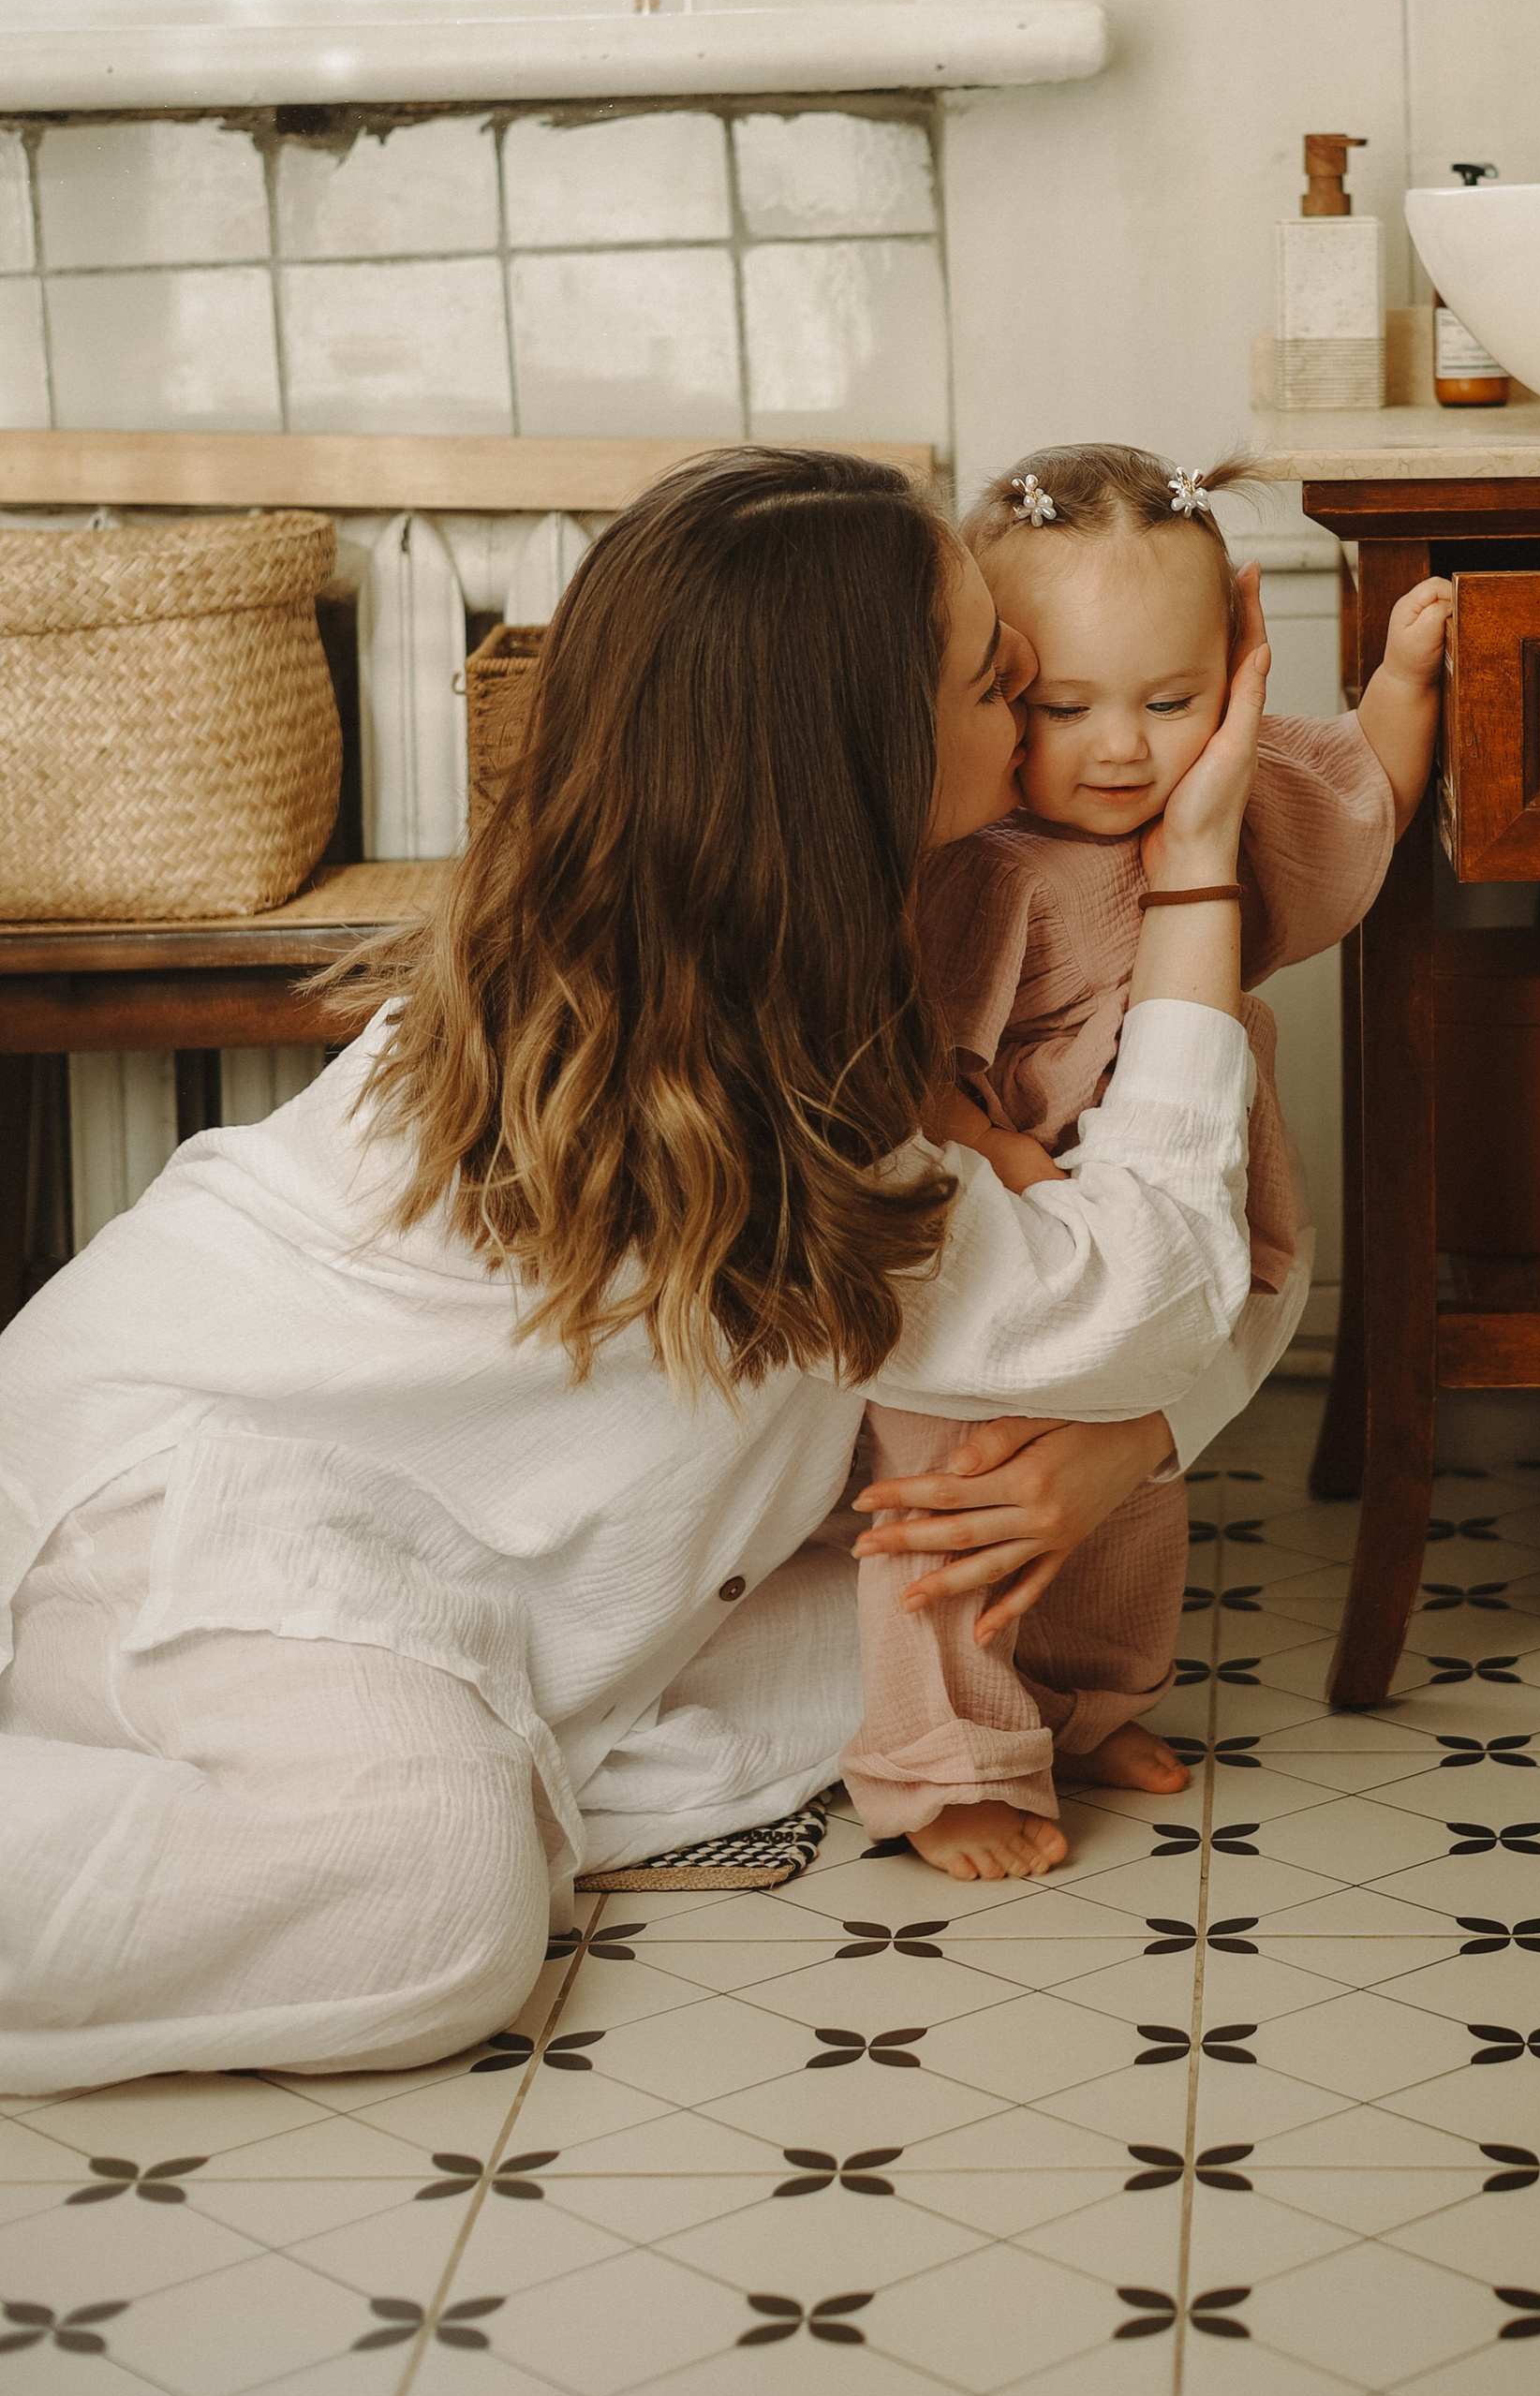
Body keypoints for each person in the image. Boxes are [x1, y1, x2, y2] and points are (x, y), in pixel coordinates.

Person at [0, 448, 1272, 2095]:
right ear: (867, 758)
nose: (1031, 695)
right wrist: (1203, 859)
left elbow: (1198, 1289)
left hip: (399, 1511)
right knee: (431, 1892)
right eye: (993, 675)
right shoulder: (727, 1099)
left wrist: (1138, 1442)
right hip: (164, 1518)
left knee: (914, 1632)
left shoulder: (748, 974)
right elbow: (1157, 1290)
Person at [843, 443, 1451, 1880]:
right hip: (993, 1245)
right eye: (1062, 707)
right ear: (994, 686)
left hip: (1181, 1195)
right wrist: (998, 1149)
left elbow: (1354, 800)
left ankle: (1086, 1705)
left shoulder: (1222, 795)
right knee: (956, 1508)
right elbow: (909, 1067)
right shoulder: (976, 864)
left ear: (1232, 665)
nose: (1122, 748)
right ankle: (953, 1764)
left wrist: (1397, 698)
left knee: (1129, 1498)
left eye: (1172, 702)